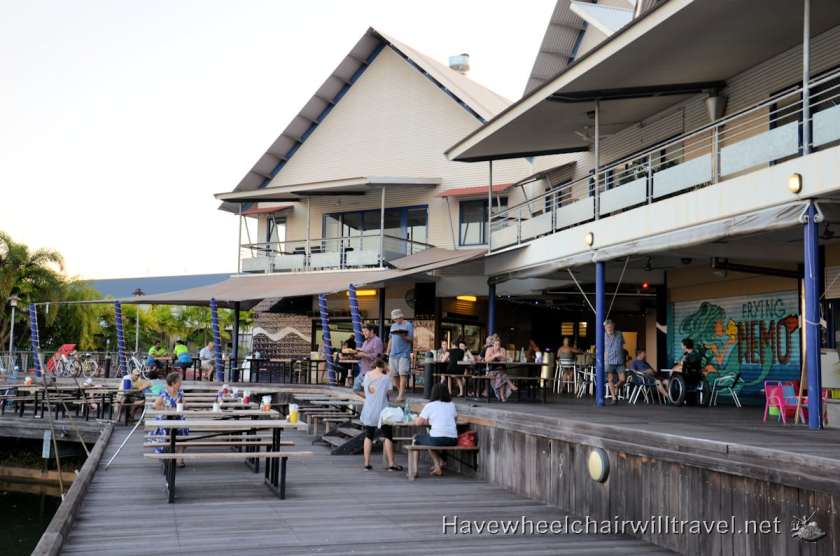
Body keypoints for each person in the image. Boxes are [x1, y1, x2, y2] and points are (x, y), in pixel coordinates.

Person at [359, 358, 402, 471]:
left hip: (369, 409)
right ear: (384, 364)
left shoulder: (367, 375)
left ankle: (367, 463)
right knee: (388, 436)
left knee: (368, 435)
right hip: (383, 411)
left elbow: (365, 388)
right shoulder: (385, 378)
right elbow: (389, 392)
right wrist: (388, 372)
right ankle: (391, 463)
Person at [414, 383, 458, 476]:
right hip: (453, 440)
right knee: (431, 439)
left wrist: (427, 421)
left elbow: (418, 422)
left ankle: (415, 470)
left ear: (433, 393)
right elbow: (454, 420)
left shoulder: (430, 405)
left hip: (437, 439)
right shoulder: (452, 405)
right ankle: (440, 463)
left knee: (416, 439)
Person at [151, 371, 187, 466]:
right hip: (165, 419)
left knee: (184, 429)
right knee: (165, 430)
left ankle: (179, 458)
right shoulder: (164, 393)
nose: (181, 383)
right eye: (179, 381)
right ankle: (165, 456)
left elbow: (184, 404)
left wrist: (182, 406)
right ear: (173, 383)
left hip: (178, 418)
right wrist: (167, 409)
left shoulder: (180, 393)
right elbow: (155, 405)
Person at [386, 309, 413, 402]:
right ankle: (401, 392)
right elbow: (391, 339)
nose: (395, 320)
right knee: (394, 374)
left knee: (403, 373)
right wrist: (387, 351)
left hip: (404, 353)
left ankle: (401, 395)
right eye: (394, 319)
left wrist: (403, 336)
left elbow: (411, 339)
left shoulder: (408, 324)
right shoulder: (393, 326)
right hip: (393, 353)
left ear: (401, 316)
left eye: (396, 318)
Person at [352, 323, 384, 392]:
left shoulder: (377, 340)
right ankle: (369, 400)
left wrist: (363, 354)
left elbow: (377, 357)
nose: (364, 333)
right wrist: (356, 354)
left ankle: (372, 400)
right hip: (363, 371)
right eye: (363, 332)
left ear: (371, 331)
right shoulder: (365, 342)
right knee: (356, 389)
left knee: (372, 392)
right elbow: (363, 354)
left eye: (365, 331)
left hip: (372, 372)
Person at [485, 337, 518, 402]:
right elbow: (486, 360)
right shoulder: (489, 349)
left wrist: (501, 357)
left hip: (502, 370)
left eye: (499, 344)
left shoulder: (502, 350)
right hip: (492, 371)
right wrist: (494, 356)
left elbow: (505, 360)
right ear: (493, 345)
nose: (498, 346)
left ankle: (501, 396)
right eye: (496, 344)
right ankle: (505, 393)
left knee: (500, 375)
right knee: (501, 375)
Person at [604, 320, 625, 404]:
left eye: (610, 326)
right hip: (609, 360)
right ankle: (613, 397)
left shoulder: (619, 334)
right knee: (610, 379)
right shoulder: (603, 336)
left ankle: (616, 387)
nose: (609, 328)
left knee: (623, 379)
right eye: (607, 327)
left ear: (613, 326)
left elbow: (622, 344)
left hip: (619, 360)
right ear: (605, 328)